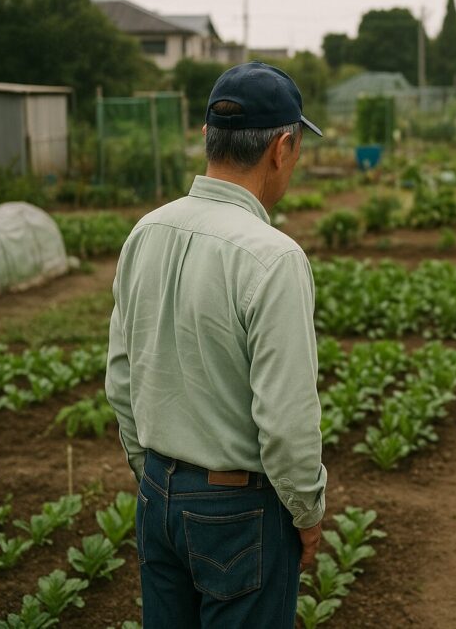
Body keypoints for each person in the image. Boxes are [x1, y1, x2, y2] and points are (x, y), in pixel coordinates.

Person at [105, 61, 327, 628]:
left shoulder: (145, 232)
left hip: (157, 492)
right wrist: (306, 512)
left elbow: (122, 376)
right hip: (239, 510)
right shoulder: (273, 256)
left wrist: (152, 471)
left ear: (208, 137)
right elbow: (285, 418)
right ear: (282, 148)